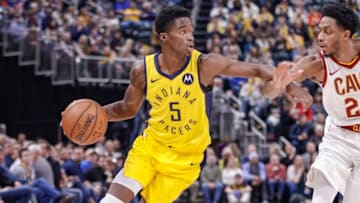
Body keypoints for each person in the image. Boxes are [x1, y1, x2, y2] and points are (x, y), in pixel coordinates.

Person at [89, 5, 311, 203]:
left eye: (191, 31)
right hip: (150, 148)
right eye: (182, 31)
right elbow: (127, 109)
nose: (190, 37)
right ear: (164, 37)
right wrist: (96, 114)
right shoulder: (142, 70)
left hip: (186, 160)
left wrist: (288, 85)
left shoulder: (204, 64)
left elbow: (255, 69)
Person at [271, 3, 360, 203]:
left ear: (346, 35)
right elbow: (281, 83)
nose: (320, 37)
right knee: (322, 188)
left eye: (327, 32)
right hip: (339, 135)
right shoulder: (317, 64)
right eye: (319, 31)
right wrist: (288, 86)